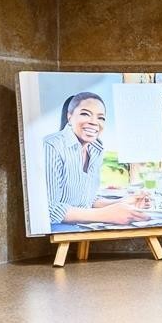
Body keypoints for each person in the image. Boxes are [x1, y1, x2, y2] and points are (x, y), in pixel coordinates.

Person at [42, 91, 146, 231]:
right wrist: (105, 215)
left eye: (101, 117)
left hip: (80, 225)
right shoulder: (51, 146)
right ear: (69, 116)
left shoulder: (96, 149)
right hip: (57, 227)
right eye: (85, 114)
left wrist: (122, 202)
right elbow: (49, 209)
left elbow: (87, 201)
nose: (94, 122)